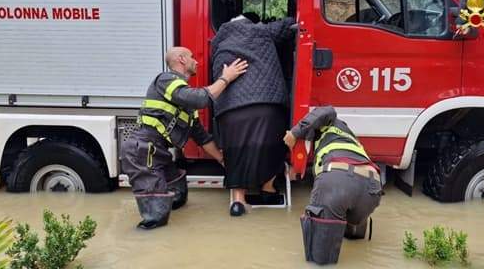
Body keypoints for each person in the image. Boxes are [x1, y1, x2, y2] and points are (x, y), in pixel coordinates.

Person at [121, 46, 248, 230]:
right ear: (181, 59)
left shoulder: (185, 104)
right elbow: (200, 99)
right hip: (143, 151)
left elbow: (202, 138)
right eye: (192, 57)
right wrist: (226, 77)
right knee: (155, 217)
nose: (196, 61)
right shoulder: (166, 79)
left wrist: (223, 160)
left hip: (158, 152)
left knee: (178, 194)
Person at [211, 14, 296, 216]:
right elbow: (289, 25)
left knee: (235, 152)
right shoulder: (261, 30)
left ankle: (238, 201)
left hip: (230, 109)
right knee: (273, 145)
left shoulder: (218, 42)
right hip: (266, 104)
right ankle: (268, 189)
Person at [283, 106, 382, 265]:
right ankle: (353, 231)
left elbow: (326, 110)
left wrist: (294, 133)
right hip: (372, 187)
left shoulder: (330, 121)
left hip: (337, 180)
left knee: (320, 261)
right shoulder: (348, 137)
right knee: (353, 238)